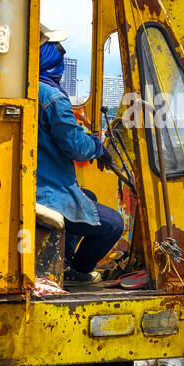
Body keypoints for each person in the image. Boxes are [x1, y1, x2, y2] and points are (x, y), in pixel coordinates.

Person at [36, 25, 124, 283]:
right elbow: (76, 147)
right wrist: (98, 147)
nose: (60, 55)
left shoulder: (30, 89)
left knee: (88, 196)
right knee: (114, 224)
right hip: (47, 192)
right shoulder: (52, 97)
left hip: (37, 184)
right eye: (56, 50)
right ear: (46, 55)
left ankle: (62, 263)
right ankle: (79, 271)